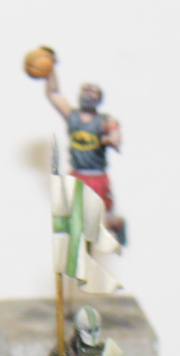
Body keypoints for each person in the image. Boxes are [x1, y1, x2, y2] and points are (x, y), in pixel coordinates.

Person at [44, 66, 125, 244]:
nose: (88, 95)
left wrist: (111, 140)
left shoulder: (105, 121)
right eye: (85, 91)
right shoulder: (72, 116)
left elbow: (116, 136)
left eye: (92, 92)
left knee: (104, 218)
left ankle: (117, 226)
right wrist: (50, 69)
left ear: (99, 98)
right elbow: (53, 93)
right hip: (77, 175)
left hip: (96, 176)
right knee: (72, 217)